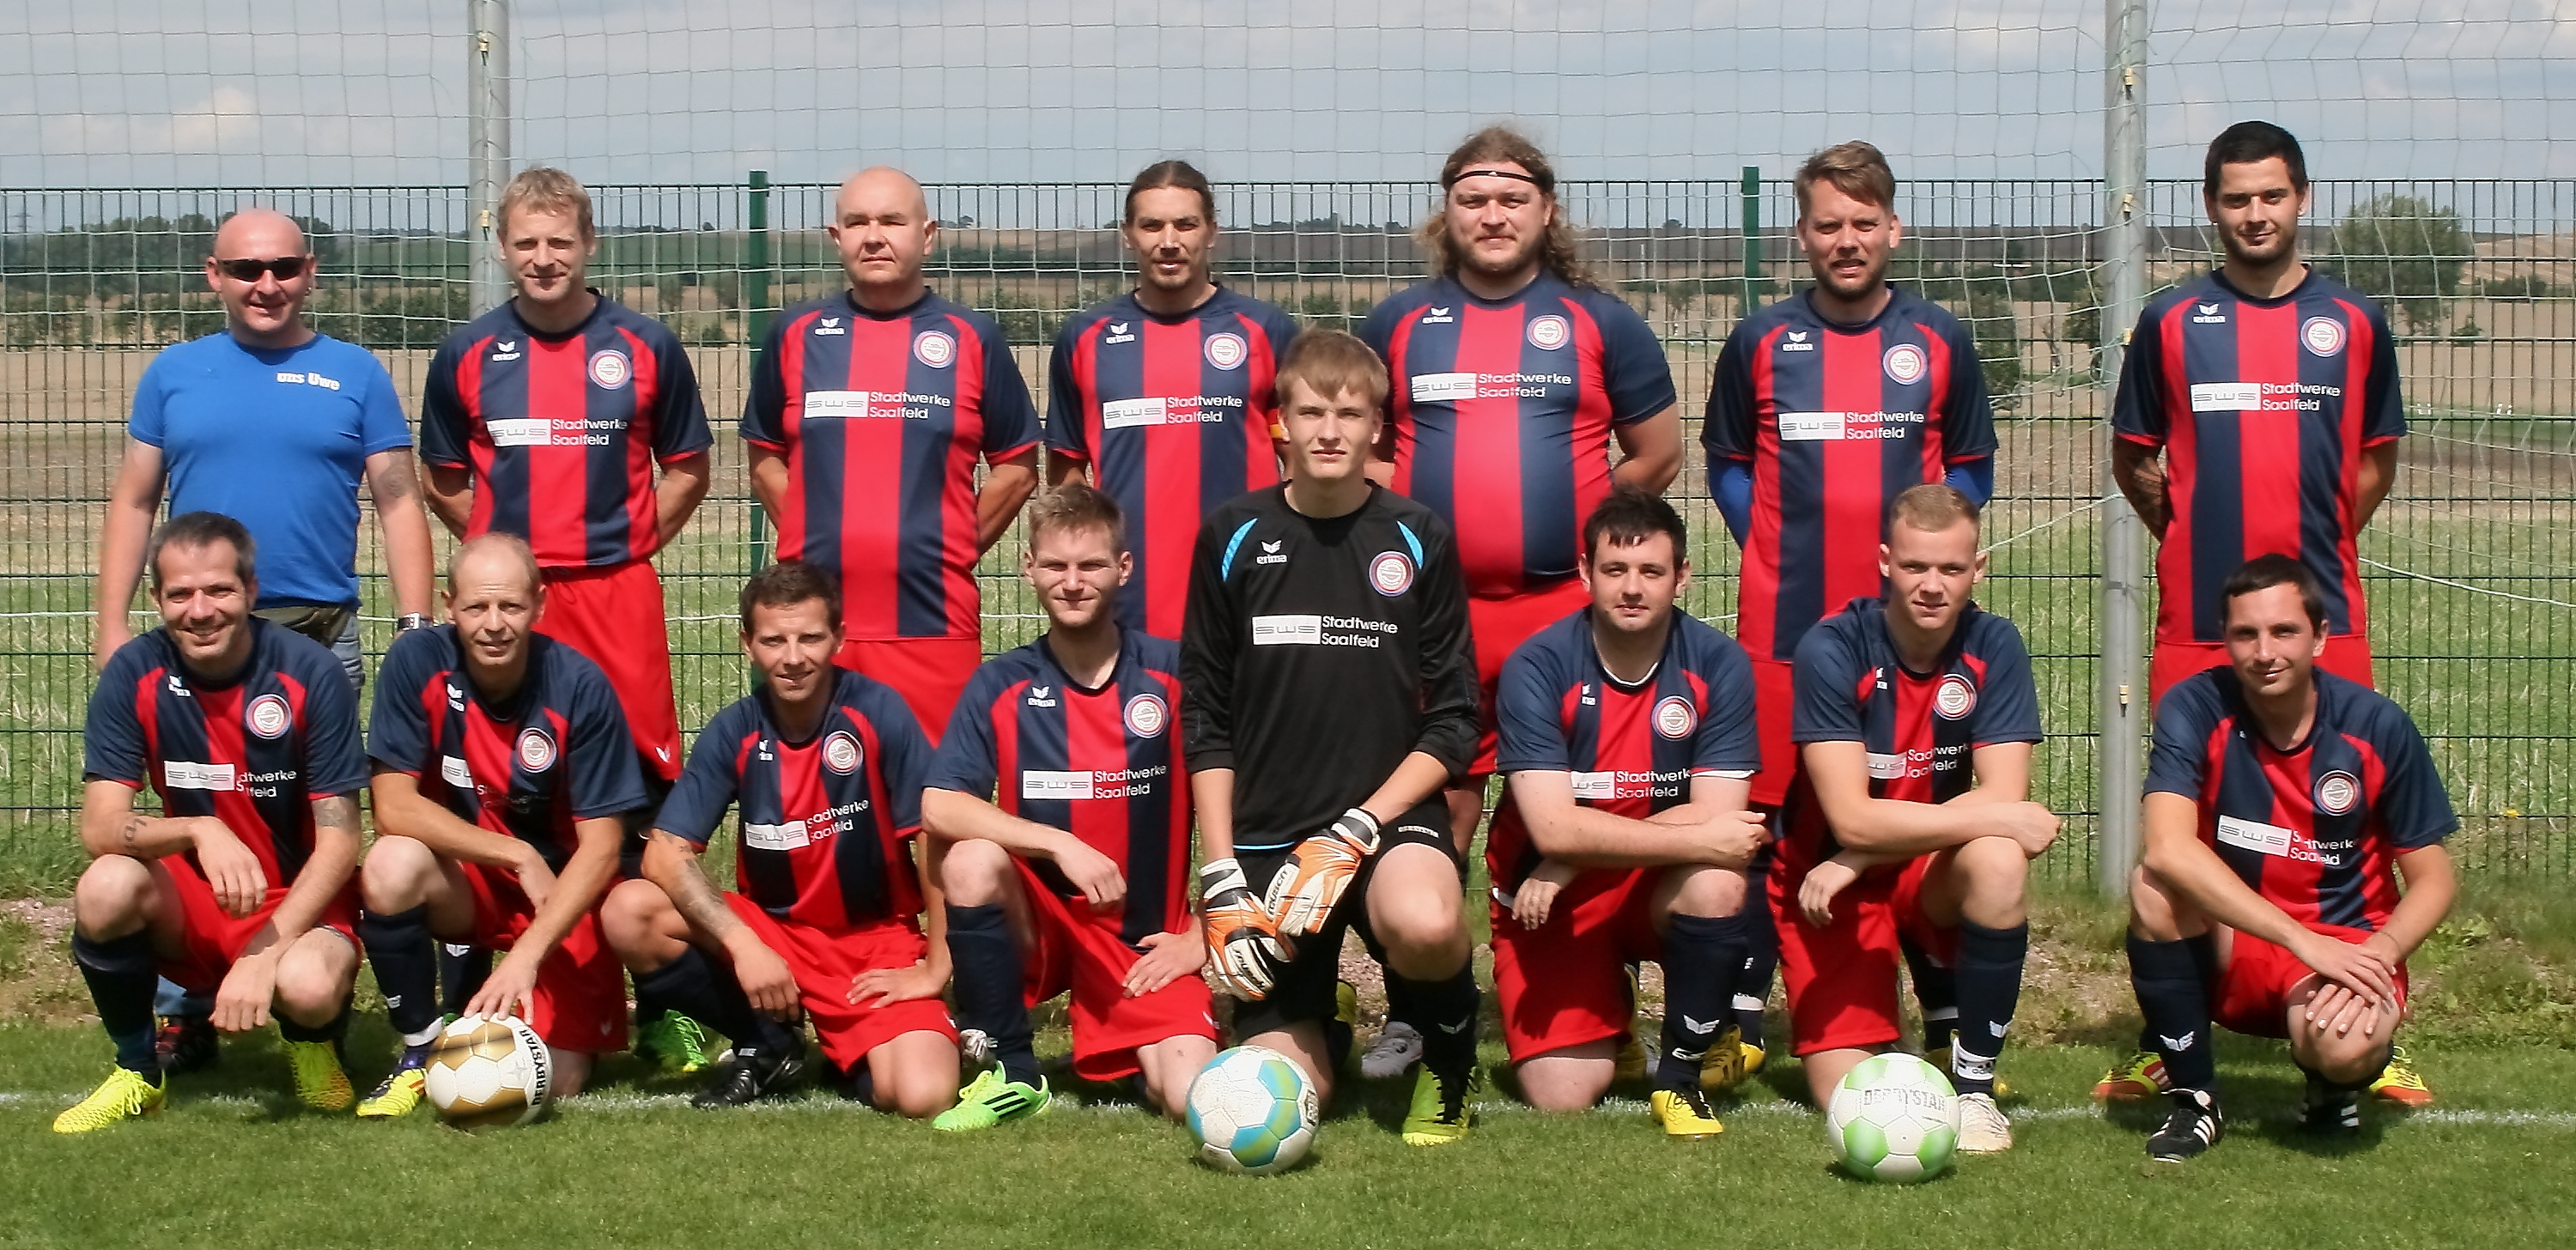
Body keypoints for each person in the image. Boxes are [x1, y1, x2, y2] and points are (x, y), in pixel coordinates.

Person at [2100, 120, 2426, 1107]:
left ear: (2302, 199)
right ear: (2211, 207)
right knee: (2182, 844)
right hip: (2198, 618)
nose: (2255, 214)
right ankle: (2174, 1040)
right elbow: (2135, 457)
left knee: (2352, 830)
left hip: (2325, 621)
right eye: (2236, 198)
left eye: (2271, 196)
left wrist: (2304, 568)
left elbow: (2373, 463)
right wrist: (2190, 527)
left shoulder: (2355, 322)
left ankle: (2375, 1019)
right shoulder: (2169, 321)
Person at [1359, 124, 1681, 1076]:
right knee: (1438, 813)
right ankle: (1420, 1007)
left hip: (1556, 618)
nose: (1491, 216)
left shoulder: (1599, 322)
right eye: (1472, 199)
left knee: (1579, 809)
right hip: (1434, 619)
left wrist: (1586, 514)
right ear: (1444, 214)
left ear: (1546, 210)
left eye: (1510, 199)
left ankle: (1599, 1001)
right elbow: (1353, 440)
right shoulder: (1400, 323)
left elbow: (1658, 451)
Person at [93, 208, 436, 1076]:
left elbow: (398, 499)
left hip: (320, 639)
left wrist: (416, 623)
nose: (266, 284)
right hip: (196, 635)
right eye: (246, 269)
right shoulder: (175, 374)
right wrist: (110, 622)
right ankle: (184, 1007)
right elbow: (135, 500)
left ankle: (304, 983)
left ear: (309, 270)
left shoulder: (354, 373)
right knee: (195, 811)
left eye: (283, 266)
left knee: (311, 821)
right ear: (214, 275)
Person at [1701, 141, 2000, 1071]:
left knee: (1918, 801)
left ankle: (1943, 1006)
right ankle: (1742, 1016)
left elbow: (1970, 470)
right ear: (1802, 235)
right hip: (1784, 625)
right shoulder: (1760, 341)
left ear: (1893, 229)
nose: (1846, 239)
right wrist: (1771, 542)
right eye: (1828, 223)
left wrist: (1920, 578)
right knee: (1772, 812)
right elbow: (1727, 464)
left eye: (1863, 222)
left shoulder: (1939, 339)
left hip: (1907, 636)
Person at [416, 165, 715, 1075]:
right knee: (502, 779)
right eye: (525, 243)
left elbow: (689, 466)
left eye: (559, 241)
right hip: (514, 604)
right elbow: (441, 475)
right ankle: (484, 984)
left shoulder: (646, 345)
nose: (543, 259)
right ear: (501, 249)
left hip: (615, 595)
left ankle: (666, 999)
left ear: (589, 245)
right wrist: (502, 565)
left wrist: (624, 546)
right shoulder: (466, 354)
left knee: (638, 790)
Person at [1180, 330, 1483, 1145]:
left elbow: (1456, 717)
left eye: (1350, 413)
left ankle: (1450, 1065)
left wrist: (1358, 827)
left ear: (1378, 427)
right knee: (1289, 1089)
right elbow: (1204, 714)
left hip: (1381, 828)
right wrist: (1220, 872)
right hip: (1271, 837)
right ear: (1280, 421)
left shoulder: (1418, 536)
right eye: (1310, 411)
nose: (1329, 431)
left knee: (1424, 921)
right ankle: (1326, 1031)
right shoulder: (1233, 534)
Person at [598, 561, 963, 1117]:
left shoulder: (877, 712)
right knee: (630, 909)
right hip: (778, 938)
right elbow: (663, 853)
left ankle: (853, 1055)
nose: (793, 657)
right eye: (774, 640)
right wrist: (745, 946)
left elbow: (935, 840)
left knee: (922, 1096)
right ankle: (769, 1042)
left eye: (810, 638)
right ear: (747, 644)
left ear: (838, 638)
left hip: (873, 944)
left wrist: (935, 967)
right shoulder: (734, 730)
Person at [2124, 555, 2457, 1161]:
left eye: (2284, 631)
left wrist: (2376, 955)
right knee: (2152, 884)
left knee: (2344, 1045)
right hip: (2242, 938)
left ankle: (2333, 1091)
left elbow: (2435, 879)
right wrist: (2298, 940)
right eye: (2245, 634)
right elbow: (2169, 847)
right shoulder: (2194, 708)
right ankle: (2194, 1102)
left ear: (2322, 637)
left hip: (2350, 943)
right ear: (2225, 640)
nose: (2264, 651)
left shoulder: (2378, 727)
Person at [55, 513, 367, 1132]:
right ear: (157, 600)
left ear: (251, 592)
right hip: (197, 901)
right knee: (106, 884)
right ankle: (138, 1072)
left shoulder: (310, 673)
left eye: (219, 590)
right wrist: (198, 829)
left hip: (298, 904)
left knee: (305, 984)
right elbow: (99, 828)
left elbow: (341, 840)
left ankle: (312, 1046)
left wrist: (265, 953)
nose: (201, 610)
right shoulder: (134, 674)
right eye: (181, 594)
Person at [922, 483, 1218, 1129]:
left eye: (1089, 565)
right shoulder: (1001, 684)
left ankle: (1135, 1046)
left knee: (1190, 1096)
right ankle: (1011, 1069)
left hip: (1146, 943)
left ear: (1123, 568)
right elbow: (940, 803)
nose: (1073, 582)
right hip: (1045, 927)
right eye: (1056, 566)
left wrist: (1203, 936)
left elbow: (1249, 808)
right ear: (1029, 569)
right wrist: (1059, 842)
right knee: (971, 858)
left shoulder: (1176, 676)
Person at [1771, 484, 2056, 1154]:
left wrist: (1864, 851)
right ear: (1884, 562)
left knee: (1998, 856)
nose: (1932, 585)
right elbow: (1850, 818)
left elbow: (2006, 796)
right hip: (1824, 885)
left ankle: (1976, 1089)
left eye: (1951, 569)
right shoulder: (1833, 647)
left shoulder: (1995, 644)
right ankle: (1921, 1004)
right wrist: (1858, 850)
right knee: (1850, 1093)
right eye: (1915, 566)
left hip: (1914, 868)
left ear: (1978, 569)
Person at [1488, 488, 1767, 1137]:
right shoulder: (1537, 665)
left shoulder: (1718, 664)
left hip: (1646, 886)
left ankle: (1680, 1077)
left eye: (1651, 572)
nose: (1632, 588)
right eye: (1615, 570)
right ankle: (1609, 1006)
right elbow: (1552, 826)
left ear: (1682, 577)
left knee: (1718, 877)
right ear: (1586, 573)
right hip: (1548, 900)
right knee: (1562, 1093)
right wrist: (1560, 859)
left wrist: (1566, 856)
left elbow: (1719, 824)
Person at [743, 165, 1042, 741]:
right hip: (814, 624)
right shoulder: (796, 333)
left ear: (927, 235)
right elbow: (765, 461)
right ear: (837, 238)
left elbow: (1018, 469)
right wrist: (812, 535)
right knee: (823, 805)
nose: (873, 235)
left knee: (938, 806)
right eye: (857, 222)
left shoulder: (971, 337)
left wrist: (948, 548)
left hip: (932, 621)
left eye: (891, 221)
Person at [354, 535, 650, 1113]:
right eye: (476, 607)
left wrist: (528, 954)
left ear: (539, 606)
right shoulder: (417, 661)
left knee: (553, 1081)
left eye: (510, 607)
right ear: (448, 606)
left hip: (560, 900)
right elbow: (392, 806)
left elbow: (603, 847)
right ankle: (419, 1049)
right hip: (478, 882)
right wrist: (516, 855)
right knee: (391, 864)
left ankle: (548, 1005)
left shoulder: (580, 686)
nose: (494, 624)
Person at [1045, 160, 1299, 638]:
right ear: (1128, 235)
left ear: (1211, 232)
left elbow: (1303, 462)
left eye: (1185, 224)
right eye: (1151, 225)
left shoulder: (1267, 331)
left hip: (1250, 587)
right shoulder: (1085, 338)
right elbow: (1068, 480)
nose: (1168, 240)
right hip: (1127, 599)